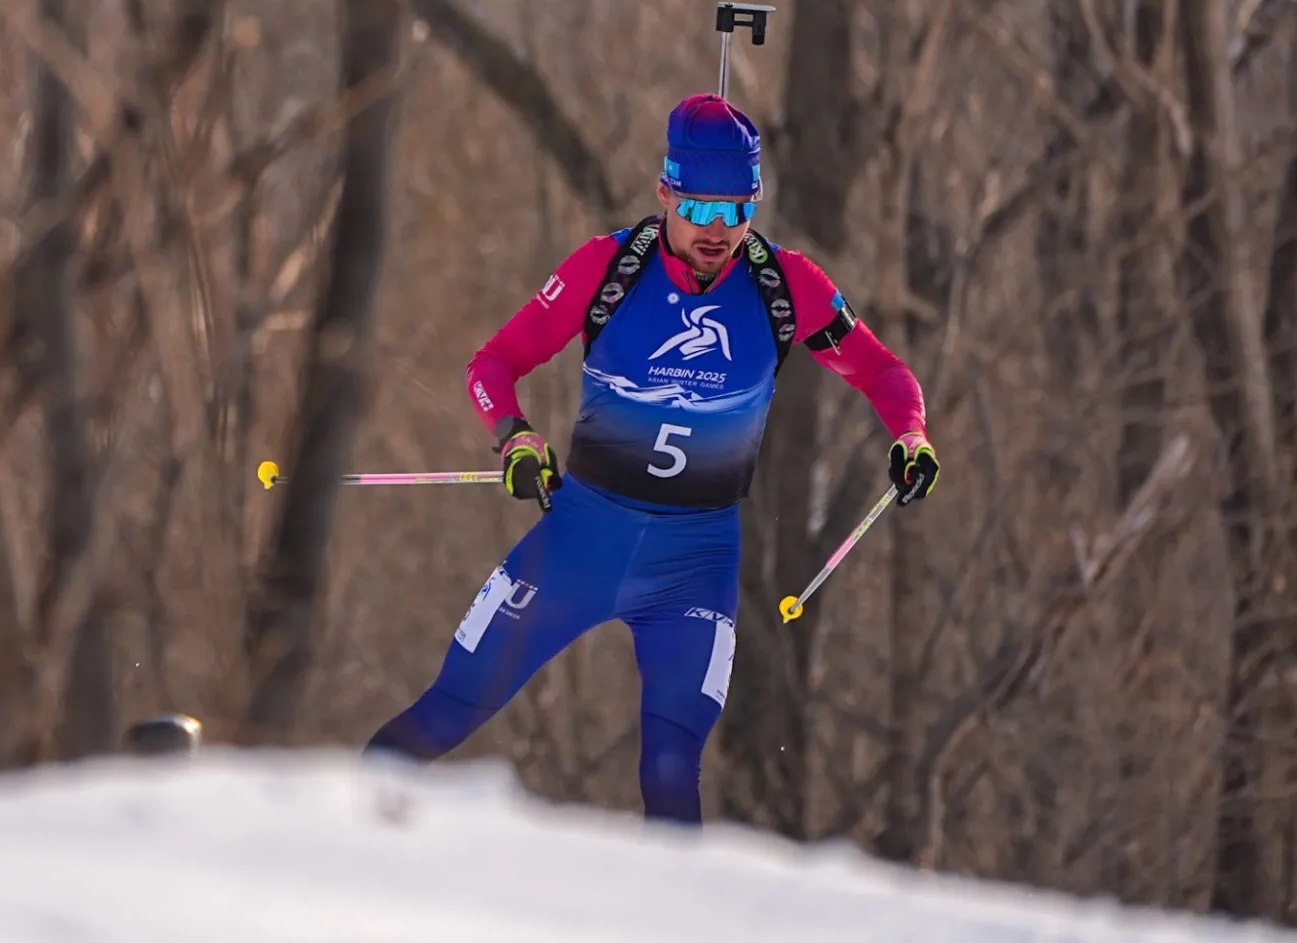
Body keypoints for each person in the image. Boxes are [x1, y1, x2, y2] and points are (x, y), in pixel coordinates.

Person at [364, 93, 939, 825]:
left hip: (694, 565)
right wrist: (515, 435)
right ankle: (315, 858)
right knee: (446, 712)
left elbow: (885, 372)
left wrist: (910, 433)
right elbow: (494, 362)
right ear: (665, 191)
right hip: (579, 542)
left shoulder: (784, 285)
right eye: (700, 208)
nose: (718, 231)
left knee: (672, 771)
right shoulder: (607, 269)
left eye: (737, 210)